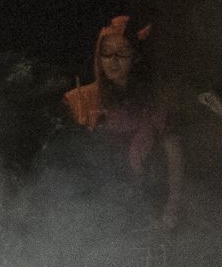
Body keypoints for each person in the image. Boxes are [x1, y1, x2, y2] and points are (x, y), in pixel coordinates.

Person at [62, 15, 182, 228]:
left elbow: (175, 159)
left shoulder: (152, 103)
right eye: (106, 54)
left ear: (135, 56)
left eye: (122, 53)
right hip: (94, 209)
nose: (113, 61)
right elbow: (66, 164)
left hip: (141, 205)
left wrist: (172, 209)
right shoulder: (80, 99)